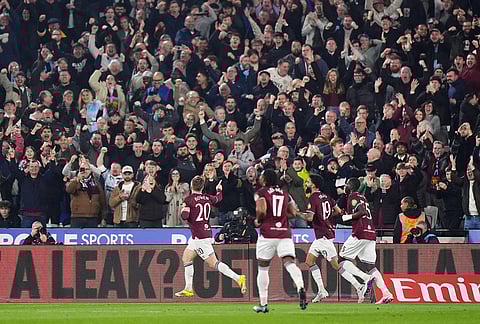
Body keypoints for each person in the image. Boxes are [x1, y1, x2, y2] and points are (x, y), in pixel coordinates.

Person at [301, 174, 372, 303]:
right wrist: (325, 217)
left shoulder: (313, 197)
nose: (306, 184)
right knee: (310, 261)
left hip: (323, 235)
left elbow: (310, 218)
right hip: (324, 233)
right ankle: (322, 290)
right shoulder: (327, 197)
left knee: (337, 264)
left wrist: (296, 213)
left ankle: (361, 283)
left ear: (314, 185)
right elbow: (338, 211)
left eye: (308, 182)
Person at [175, 176, 246, 297]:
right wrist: (219, 190)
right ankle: (188, 288)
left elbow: (185, 216)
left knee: (214, 263)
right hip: (203, 233)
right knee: (186, 258)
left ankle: (238, 278)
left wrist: (183, 208)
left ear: (191, 185)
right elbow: (218, 198)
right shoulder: (207, 197)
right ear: (202, 187)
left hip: (199, 237)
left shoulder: (189, 199)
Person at [253, 169, 307, 313]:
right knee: (289, 262)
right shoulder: (285, 193)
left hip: (267, 234)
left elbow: (262, 210)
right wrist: (280, 218)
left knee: (263, 268)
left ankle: (263, 304)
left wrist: (258, 221)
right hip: (284, 233)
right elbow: (293, 212)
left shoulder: (261, 192)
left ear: (264, 179)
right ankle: (300, 286)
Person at [338, 178, 393, 304]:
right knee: (371, 266)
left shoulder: (352, 196)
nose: (345, 187)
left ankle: (365, 278)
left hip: (360, 232)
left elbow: (361, 212)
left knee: (341, 261)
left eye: (346, 185)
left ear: (350, 186)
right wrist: (347, 213)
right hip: (370, 233)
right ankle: (386, 293)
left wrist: (345, 217)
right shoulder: (362, 197)